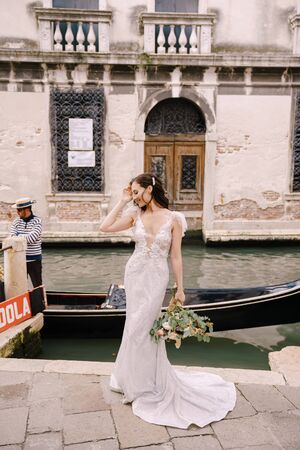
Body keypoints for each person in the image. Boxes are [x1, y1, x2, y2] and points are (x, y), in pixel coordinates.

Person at [100, 173, 236, 429]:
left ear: (150, 189)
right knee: (133, 327)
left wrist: (180, 288)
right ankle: (132, 380)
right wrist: (122, 201)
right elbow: (105, 227)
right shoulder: (134, 214)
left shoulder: (174, 219)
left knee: (145, 328)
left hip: (156, 277)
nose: (135, 196)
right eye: (133, 193)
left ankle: (147, 382)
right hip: (135, 274)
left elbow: (176, 257)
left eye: (138, 192)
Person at [10, 197, 43, 288]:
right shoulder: (16, 222)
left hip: (34, 260)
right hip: (19, 259)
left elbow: (31, 238)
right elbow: (12, 238)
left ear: (27, 209)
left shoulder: (37, 221)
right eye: (17, 210)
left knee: (37, 285)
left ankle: (41, 301)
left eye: (19, 210)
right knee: (20, 286)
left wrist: (19, 236)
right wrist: (22, 237)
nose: (17, 212)